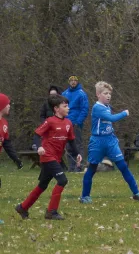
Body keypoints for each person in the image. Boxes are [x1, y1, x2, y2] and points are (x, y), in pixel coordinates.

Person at [15, 95, 82, 221]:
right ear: (56, 109)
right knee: (62, 180)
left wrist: (77, 153)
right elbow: (36, 134)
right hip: (47, 156)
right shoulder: (50, 121)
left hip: (56, 158)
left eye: (68, 105)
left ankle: (23, 207)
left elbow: (72, 141)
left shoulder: (68, 123)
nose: (68, 108)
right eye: (65, 106)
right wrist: (39, 147)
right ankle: (52, 211)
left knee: (42, 185)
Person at [79, 81, 139, 204]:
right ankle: (85, 196)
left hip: (110, 141)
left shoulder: (107, 107)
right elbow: (112, 118)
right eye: (105, 93)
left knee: (123, 166)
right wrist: (124, 113)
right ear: (98, 95)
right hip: (97, 142)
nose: (108, 95)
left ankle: (137, 193)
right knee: (92, 168)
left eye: (109, 93)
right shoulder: (97, 107)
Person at [0, 93, 24, 224]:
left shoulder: (4, 123)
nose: (9, 105)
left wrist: (16, 159)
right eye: (7, 103)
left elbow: (7, 143)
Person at [62, 75, 89, 172]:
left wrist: (78, 121)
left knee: (77, 144)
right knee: (68, 145)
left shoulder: (81, 94)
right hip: (66, 122)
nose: (73, 82)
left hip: (76, 123)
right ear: (69, 82)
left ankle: (79, 166)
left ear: (77, 82)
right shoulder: (65, 93)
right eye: (71, 80)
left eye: (75, 80)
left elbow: (84, 109)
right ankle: (71, 167)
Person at [32, 85, 62, 150]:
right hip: (48, 126)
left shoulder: (61, 104)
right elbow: (42, 115)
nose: (53, 96)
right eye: (51, 95)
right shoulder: (46, 104)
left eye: (54, 94)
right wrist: (45, 122)